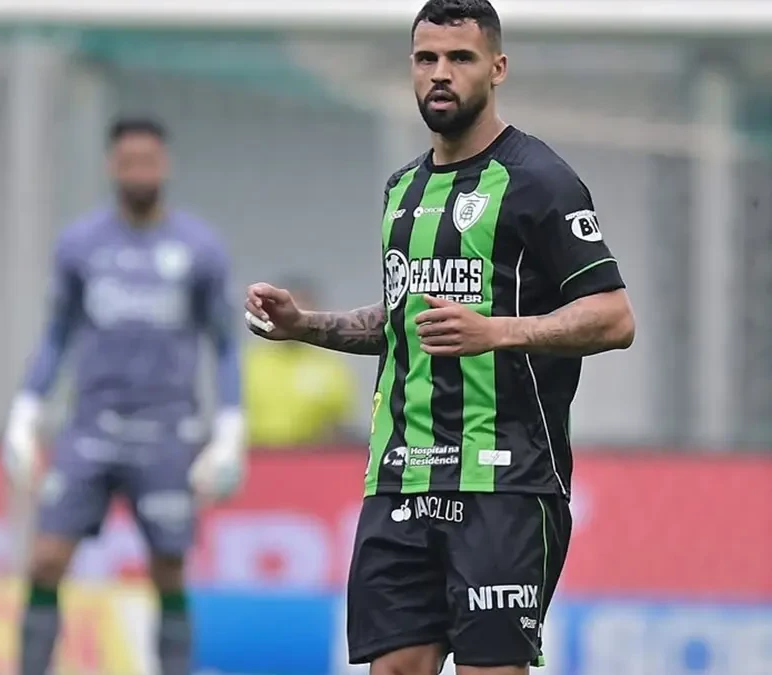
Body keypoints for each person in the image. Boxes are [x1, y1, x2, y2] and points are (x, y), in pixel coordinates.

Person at [243, 1, 635, 673]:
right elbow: (401, 319)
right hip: (399, 475)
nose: (441, 73)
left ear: (497, 68)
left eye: (460, 58)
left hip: (504, 482)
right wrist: (304, 325)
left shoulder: (540, 181)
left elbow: (614, 316)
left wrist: (497, 330)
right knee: (396, 666)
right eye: (427, 59)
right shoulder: (403, 189)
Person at [2, 116, 245, 675]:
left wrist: (231, 432)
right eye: (129, 162)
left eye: (149, 161)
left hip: (167, 430)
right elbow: (57, 335)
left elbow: (225, 344)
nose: (139, 172)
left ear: (166, 165)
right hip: (90, 427)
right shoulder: (80, 245)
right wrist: (24, 416)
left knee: (168, 570)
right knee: (45, 560)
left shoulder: (199, 248)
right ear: (112, 166)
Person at [244, 276, 358, 448]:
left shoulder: (329, 365)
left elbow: (339, 423)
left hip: (311, 456)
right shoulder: (253, 360)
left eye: (302, 308)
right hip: (258, 454)